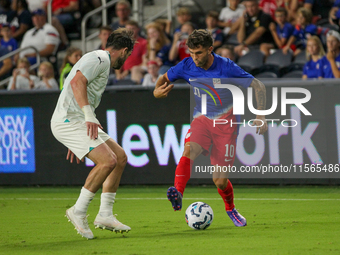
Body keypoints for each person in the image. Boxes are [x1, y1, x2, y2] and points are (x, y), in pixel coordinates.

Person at [153, 29, 268, 227]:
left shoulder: (226, 67)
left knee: (220, 181)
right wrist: (156, 91)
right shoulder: (186, 65)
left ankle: (230, 208)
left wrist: (261, 114)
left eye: (198, 53)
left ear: (210, 50)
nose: (194, 57)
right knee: (189, 150)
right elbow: (162, 79)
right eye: (191, 52)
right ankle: (178, 193)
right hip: (202, 119)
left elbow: (258, 85)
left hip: (226, 124)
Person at [50, 28, 134, 240]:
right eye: (128, 55)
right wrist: (88, 116)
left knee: (120, 157)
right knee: (108, 161)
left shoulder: (100, 60)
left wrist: (79, 135)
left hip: (78, 121)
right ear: (124, 51)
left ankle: (105, 214)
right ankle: (78, 210)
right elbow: (77, 82)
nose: (126, 60)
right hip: (70, 120)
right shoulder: (99, 58)